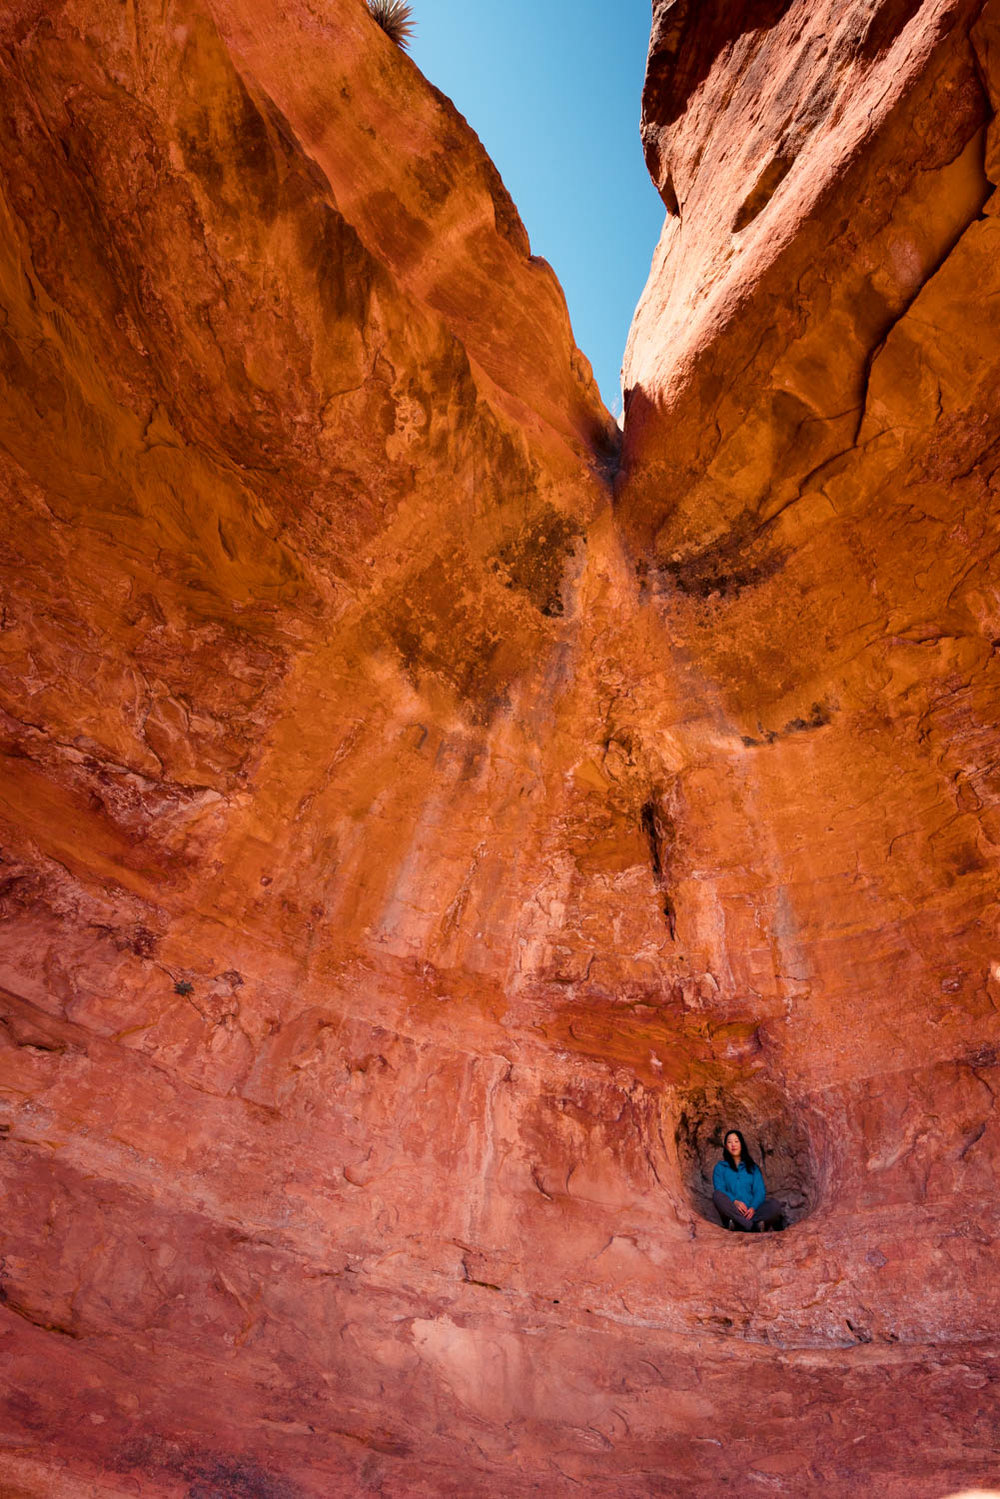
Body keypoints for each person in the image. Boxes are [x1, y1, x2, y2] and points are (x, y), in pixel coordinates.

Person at [712, 1128, 785, 1232]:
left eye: (736, 1141)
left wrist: (753, 1208)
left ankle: (742, 1224)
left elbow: (759, 1192)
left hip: (752, 1213)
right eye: (729, 1142)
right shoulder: (720, 1167)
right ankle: (751, 1226)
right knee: (717, 1195)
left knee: (774, 1205)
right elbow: (719, 1188)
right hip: (732, 1213)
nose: (733, 1145)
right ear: (725, 1146)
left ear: (742, 1144)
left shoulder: (752, 1168)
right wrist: (734, 1201)